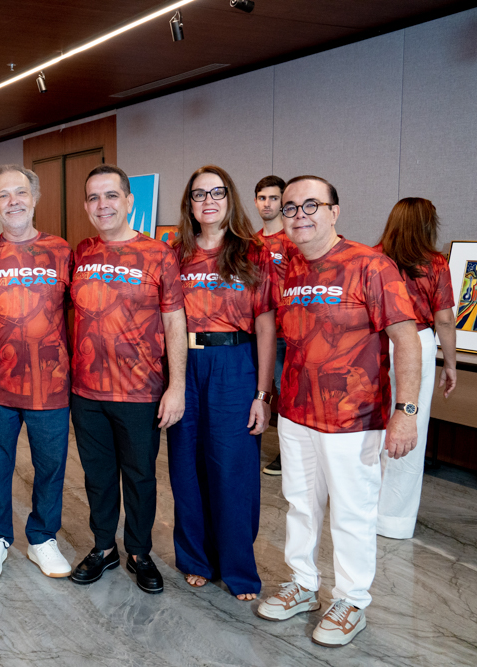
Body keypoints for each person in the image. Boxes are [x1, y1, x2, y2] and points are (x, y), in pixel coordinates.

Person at [255, 175, 421, 647]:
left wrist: (405, 411)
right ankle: (304, 585)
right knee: (301, 506)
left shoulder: (370, 264)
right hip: (297, 413)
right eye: (290, 207)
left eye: (312, 205)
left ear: (334, 211)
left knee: (351, 512)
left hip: (354, 419)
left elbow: (405, 340)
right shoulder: (287, 268)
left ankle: (351, 599)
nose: (300, 215)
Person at [68, 164, 187, 594]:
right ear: (86, 206)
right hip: (86, 391)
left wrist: (177, 386)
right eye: (95, 198)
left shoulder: (158, 254)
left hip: (140, 390)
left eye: (112, 196)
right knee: (97, 475)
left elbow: (175, 322)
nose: (103, 205)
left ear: (129, 200)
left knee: (139, 476)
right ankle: (104, 547)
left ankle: (139, 550)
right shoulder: (80, 252)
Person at [167, 166, 276, 602]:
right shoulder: (175, 253)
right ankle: (195, 558)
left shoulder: (253, 253)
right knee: (186, 464)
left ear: (230, 199)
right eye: (199, 194)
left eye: (217, 192)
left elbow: (267, 328)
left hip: (235, 363)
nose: (208, 201)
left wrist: (263, 395)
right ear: (189, 204)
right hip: (183, 364)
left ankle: (237, 568)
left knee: (233, 468)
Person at [0, 165, 74, 580]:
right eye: (3, 195)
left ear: (34, 198)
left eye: (20, 193)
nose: (12, 201)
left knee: (51, 464)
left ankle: (42, 538)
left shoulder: (62, 251)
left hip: (51, 383)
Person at [374, 198, 457, 539]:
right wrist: (450, 364)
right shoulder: (435, 263)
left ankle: (361, 506)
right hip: (418, 344)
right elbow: (445, 320)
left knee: (372, 427)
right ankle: (393, 520)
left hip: (375, 344)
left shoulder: (373, 257)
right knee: (410, 427)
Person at [254, 175, 289, 476]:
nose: (267, 203)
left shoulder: (293, 240)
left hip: (288, 333)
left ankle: (288, 454)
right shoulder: (251, 242)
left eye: (273, 198)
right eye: (262, 198)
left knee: (287, 393)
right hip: (258, 333)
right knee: (262, 392)